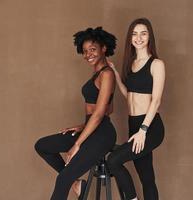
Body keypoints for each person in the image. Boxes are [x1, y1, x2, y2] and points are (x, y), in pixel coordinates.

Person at [34, 27, 117, 200]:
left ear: (104, 48)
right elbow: (110, 108)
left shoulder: (107, 74)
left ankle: (71, 182)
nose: (88, 54)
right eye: (85, 51)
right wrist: (83, 126)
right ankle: (77, 184)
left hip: (102, 135)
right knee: (42, 146)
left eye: (92, 49)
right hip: (92, 129)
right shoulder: (97, 74)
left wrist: (77, 144)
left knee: (63, 179)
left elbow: (101, 113)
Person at [107, 18, 165, 200]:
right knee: (147, 177)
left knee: (113, 160)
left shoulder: (157, 64)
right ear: (130, 38)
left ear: (150, 37)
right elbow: (129, 95)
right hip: (134, 123)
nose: (138, 38)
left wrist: (143, 131)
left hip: (150, 127)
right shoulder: (131, 63)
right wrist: (116, 74)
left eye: (143, 33)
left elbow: (155, 101)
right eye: (134, 33)